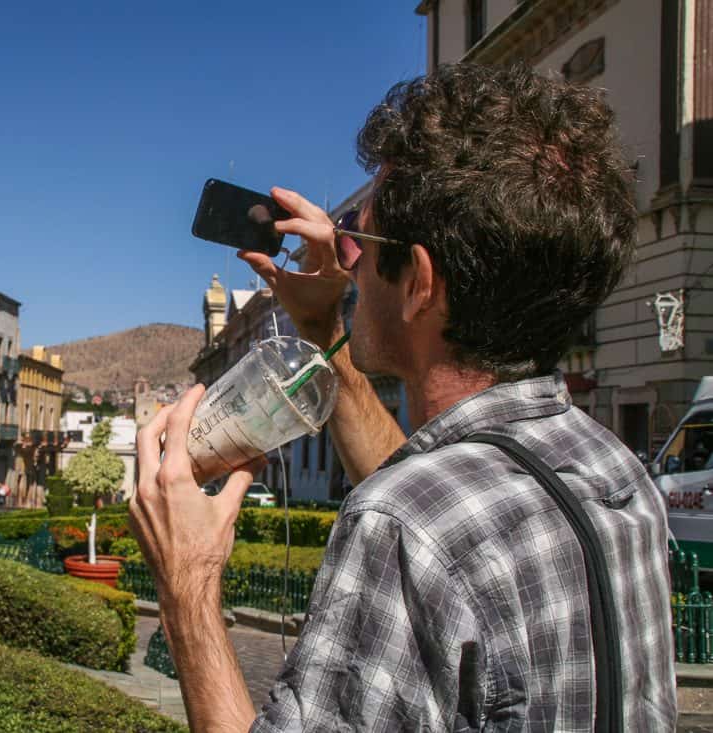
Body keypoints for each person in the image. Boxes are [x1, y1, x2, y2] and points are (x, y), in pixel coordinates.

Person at [131, 64, 676, 731]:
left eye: (361, 236)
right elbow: (437, 487)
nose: (345, 256)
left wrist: (187, 586)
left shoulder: (402, 527)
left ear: (419, 282)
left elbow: (420, 516)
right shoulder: (617, 472)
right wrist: (322, 328)